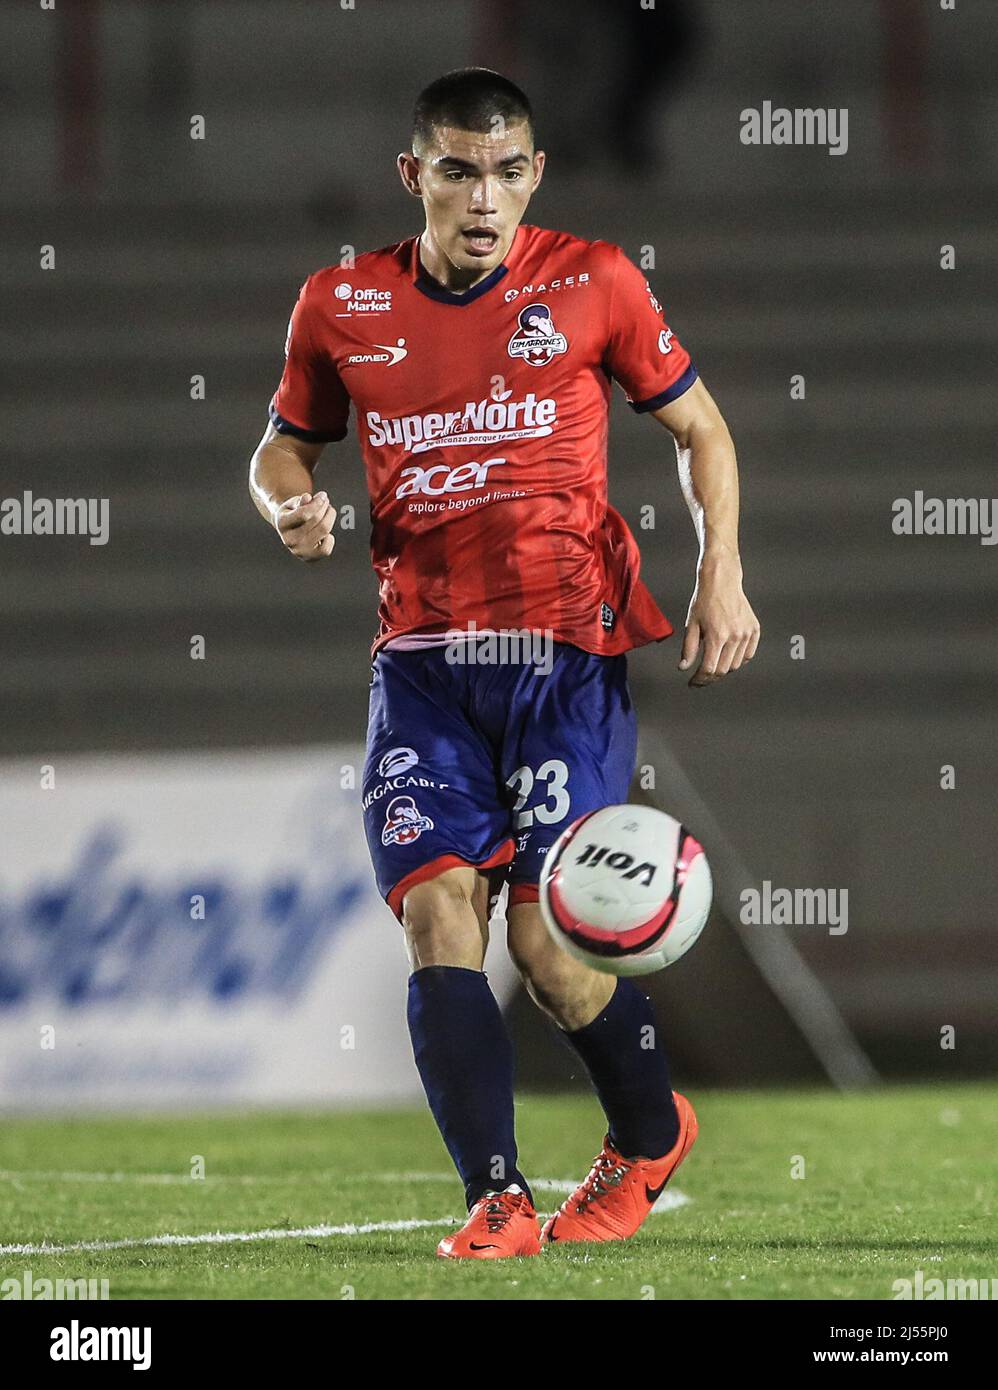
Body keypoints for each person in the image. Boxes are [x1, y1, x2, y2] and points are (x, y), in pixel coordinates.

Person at [248, 68, 759, 1259]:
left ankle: (647, 1136)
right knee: (438, 918)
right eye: (460, 170)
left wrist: (720, 569)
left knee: (546, 954)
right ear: (412, 174)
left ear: (535, 172)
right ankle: (497, 1196)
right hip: (421, 666)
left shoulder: (594, 282)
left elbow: (700, 428)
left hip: (561, 660)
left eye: (510, 170)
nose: (486, 197)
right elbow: (279, 451)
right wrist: (289, 510)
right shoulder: (340, 304)